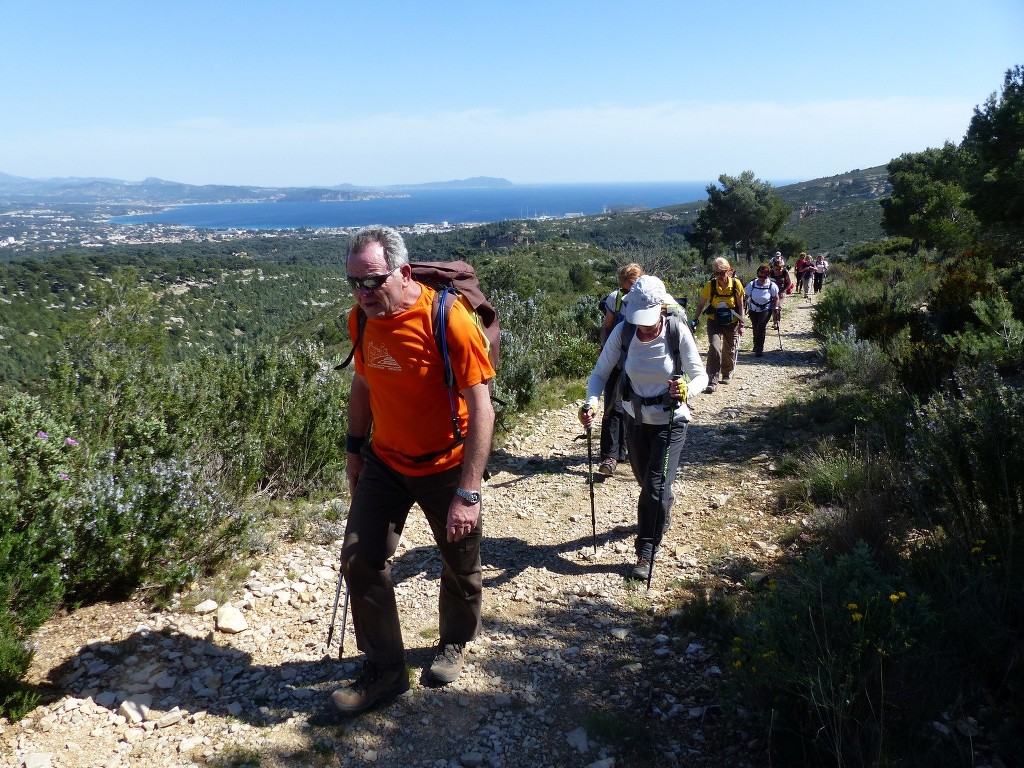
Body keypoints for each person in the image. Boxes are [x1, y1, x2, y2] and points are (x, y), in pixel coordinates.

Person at [333, 226, 496, 714]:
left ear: (402, 273)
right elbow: (362, 385)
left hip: (447, 462)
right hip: (386, 460)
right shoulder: (360, 321)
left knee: (460, 561)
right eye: (354, 284)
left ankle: (454, 641)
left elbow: (482, 408)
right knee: (360, 559)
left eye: (373, 281)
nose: (363, 293)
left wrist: (469, 492)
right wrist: (354, 449)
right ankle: (385, 670)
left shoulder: (448, 320)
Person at [578, 275, 707, 580]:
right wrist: (591, 404)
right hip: (634, 419)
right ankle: (663, 505)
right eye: (640, 321)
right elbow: (599, 375)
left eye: (650, 321)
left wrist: (687, 388)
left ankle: (645, 553)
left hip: (671, 421)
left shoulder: (677, 331)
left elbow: (699, 375)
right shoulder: (623, 332)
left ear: (662, 309)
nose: (645, 328)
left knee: (654, 487)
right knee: (646, 482)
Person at [596, 263, 644, 476]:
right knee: (612, 406)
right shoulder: (615, 299)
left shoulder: (648, 299)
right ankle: (610, 455)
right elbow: (607, 327)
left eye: (629, 289)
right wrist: (606, 352)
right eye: (623, 288)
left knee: (633, 406)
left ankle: (629, 451)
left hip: (640, 361)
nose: (625, 293)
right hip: (616, 359)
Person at [691, 257, 746, 394]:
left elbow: (740, 305)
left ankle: (727, 373)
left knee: (729, 348)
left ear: (728, 271)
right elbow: (701, 303)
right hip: (714, 320)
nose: (720, 276)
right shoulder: (711, 285)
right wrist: (695, 320)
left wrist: (742, 323)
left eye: (722, 273)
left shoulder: (736, 284)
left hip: (731, 321)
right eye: (717, 273)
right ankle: (711, 380)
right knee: (714, 347)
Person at [744, 264, 780, 357]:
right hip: (753, 308)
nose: (761, 278)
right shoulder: (752, 284)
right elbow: (745, 296)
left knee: (761, 327)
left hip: (766, 309)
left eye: (764, 276)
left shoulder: (772, 285)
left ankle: (759, 349)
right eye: (760, 276)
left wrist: (776, 308)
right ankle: (756, 345)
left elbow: (776, 298)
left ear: (767, 276)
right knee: (755, 327)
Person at [767, 258, 793, 329]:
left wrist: (784, 291)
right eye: (776, 269)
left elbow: (790, 283)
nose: (778, 271)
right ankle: (775, 321)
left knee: (777, 306)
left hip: (781, 291)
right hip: (772, 292)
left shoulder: (785, 272)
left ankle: (777, 322)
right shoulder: (771, 272)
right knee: (772, 307)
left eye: (780, 269)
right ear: (773, 268)